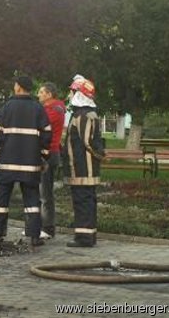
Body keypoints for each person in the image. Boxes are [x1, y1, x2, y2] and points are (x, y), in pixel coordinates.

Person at [0, 75, 52, 247]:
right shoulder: (38, 108)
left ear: (18, 87)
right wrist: (44, 156)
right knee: (32, 200)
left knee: (1, 200)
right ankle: (34, 236)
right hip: (30, 164)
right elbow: (47, 134)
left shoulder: (7, 107)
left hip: (7, 163)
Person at [62, 74, 104, 248]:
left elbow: (88, 142)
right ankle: (88, 236)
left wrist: (98, 155)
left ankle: (84, 238)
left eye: (72, 92)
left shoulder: (83, 115)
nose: (70, 95)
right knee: (87, 200)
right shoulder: (87, 113)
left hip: (81, 167)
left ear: (79, 94)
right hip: (84, 167)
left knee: (82, 201)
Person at [37, 82, 66, 240]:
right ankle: (38, 226)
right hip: (45, 153)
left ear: (49, 94)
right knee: (40, 191)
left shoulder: (55, 109)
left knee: (45, 193)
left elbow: (41, 124)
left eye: (41, 92)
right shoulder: (50, 109)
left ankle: (48, 228)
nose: (38, 95)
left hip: (49, 153)